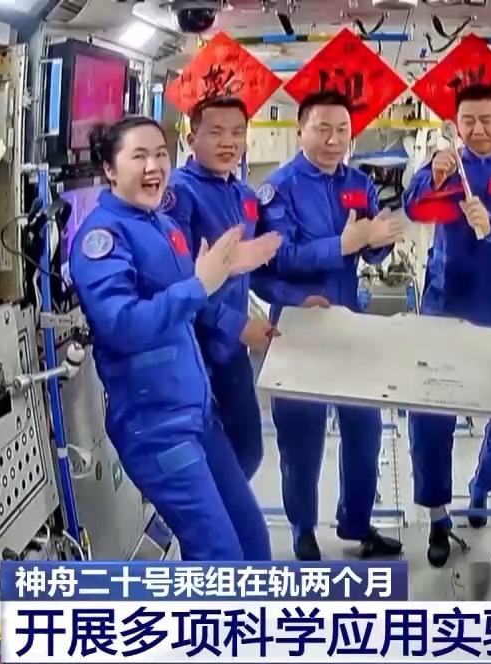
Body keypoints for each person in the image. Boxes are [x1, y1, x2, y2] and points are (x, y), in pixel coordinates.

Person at [69, 116, 282, 561]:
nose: (153, 167)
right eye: (138, 156)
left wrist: (226, 273)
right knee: (219, 558)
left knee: (253, 543)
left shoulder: (163, 225)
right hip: (157, 429)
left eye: (160, 155)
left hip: (198, 416)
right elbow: (121, 325)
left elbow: (190, 299)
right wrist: (200, 283)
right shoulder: (102, 238)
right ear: (109, 169)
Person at [252, 90, 407, 561]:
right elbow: (278, 258)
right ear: (300, 130)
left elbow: (371, 252)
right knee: (302, 440)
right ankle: (303, 528)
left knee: (365, 430)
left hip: (348, 325)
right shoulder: (278, 189)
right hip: (297, 327)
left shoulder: (358, 183)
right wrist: (344, 243)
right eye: (323, 129)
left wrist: (379, 240)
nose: (334, 139)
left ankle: (357, 523)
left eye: (342, 130)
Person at [402, 83, 491, 567]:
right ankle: (437, 516)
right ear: (456, 124)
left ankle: (482, 484)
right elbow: (413, 207)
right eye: (468, 120)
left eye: (487, 119)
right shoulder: (447, 166)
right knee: (430, 412)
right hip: (443, 303)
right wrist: (432, 176)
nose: (477, 129)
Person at [162, 96, 272, 480]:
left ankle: (221, 514)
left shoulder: (244, 196)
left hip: (232, 350)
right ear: (191, 138)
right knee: (198, 457)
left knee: (248, 450)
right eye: (216, 132)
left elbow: (254, 266)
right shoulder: (178, 195)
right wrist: (235, 324)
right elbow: (177, 281)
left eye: (237, 133)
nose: (228, 142)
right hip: (192, 346)